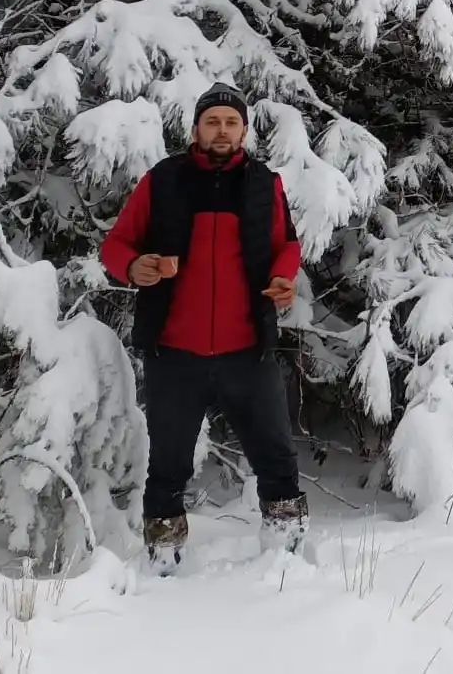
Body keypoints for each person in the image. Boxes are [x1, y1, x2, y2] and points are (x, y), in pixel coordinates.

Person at [100, 82, 308, 572]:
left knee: (278, 462)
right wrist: (134, 268)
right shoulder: (163, 181)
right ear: (195, 128)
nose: (221, 130)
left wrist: (284, 276)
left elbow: (288, 245)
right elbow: (116, 246)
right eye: (212, 121)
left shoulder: (264, 184)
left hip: (247, 350)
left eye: (231, 122)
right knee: (166, 471)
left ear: (244, 131)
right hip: (175, 353)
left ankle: (287, 564)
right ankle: (164, 566)